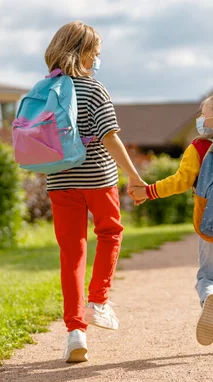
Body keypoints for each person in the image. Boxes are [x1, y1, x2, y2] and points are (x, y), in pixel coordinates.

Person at [129, 93, 213, 352]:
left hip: (211, 224)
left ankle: (211, 294)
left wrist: (148, 191)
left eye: (203, 114)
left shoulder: (200, 147)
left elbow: (180, 181)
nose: (199, 119)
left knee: (209, 275)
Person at [44, 21, 146, 363]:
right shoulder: (93, 88)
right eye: (96, 53)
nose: (98, 60)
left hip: (59, 179)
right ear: (83, 53)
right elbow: (110, 137)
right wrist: (134, 177)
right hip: (98, 178)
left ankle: (75, 332)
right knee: (111, 233)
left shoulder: (46, 89)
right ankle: (98, 302)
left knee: (72, 253)